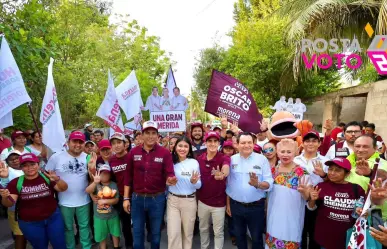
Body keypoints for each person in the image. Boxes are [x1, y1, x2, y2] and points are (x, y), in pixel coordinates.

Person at [123, 121, 177, 249]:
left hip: (157, 200)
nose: (151, 136)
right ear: (142, 135)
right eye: (147, 133)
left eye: (153, 133)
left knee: (156, 235)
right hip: (137, 199)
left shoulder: (165, 153)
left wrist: (171, 179)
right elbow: (128, 177)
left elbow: (170, 173)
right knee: (137, 234)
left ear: (158, 136)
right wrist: (126, 198)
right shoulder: (133, 152)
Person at [0, 153, 68, 249]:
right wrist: (4, 197)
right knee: (39, 246)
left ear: (38, 164)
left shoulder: (47, 177)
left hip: (53, 218)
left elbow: (63, 188)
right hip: (30, 223)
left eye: (32, 164)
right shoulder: (15, 182)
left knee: (60, 245)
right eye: (25, 165)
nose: (29, 168)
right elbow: (9, 203)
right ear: (21, 168)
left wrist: (57, 179)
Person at [45, 131, 92, 249]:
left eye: (81, 142)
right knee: (68, 228)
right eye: (74, 141)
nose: (78, 144)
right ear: (68, 142)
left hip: (84, 200)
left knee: (85, 227)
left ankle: (87, 247)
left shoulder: (88, 157)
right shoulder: (56, 157)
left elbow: (93, 178)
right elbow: (47, 176)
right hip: (64, 202)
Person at [226, 132, 273, 249]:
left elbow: (269, 183)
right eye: (243, 143)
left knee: (256, 238)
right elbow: (228, 185)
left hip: (256, 206)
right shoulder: (231, 160)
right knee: (240, 237)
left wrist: (257, 184)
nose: (246, 145)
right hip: (236, 206)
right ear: (237, 144)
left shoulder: (262, 160)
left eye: (249, 142)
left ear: (254, 143)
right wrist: (228, 205)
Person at [307, 158, 365, 249]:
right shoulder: (321, 186)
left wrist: (360, 211)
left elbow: (364, 212)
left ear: (347, 173)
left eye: (337, 170)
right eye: (330, 169)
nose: (332, 173)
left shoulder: (357, 189)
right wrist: (313, 199)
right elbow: (311, 208)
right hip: (325, 238)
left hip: (348, 238)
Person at [266, 139, 310, 249]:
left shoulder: (302, 172)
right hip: (274, 216)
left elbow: (308, 198)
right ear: (277, 152)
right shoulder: (272, 171)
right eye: (282, 151)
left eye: (289, 152)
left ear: (296, 152)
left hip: (292, 217)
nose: (285, 155)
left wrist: (305, 192)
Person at [94, 133, 133, 249]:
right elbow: (109, 179)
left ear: (125, 144)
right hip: (120, 196)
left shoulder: (131, 157)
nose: (116, 146)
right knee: (124, 224)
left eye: (119, 142)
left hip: (135, 195)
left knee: (138, 224)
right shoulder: (112, 161)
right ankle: (126, 245)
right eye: (114, 143)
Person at [293, 130, 328, 249]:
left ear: (319, 143)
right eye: (307, 141)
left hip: (317, 200)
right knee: (299, 230)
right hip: (298, 199)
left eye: (314, 141)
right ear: (302, 143)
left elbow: (332, 181)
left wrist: (323, 174)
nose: (310, 144)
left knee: (315, 233)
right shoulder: (295, 160)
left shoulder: (325, 161)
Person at [196, 131, 230, 249]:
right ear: (205, 143)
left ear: (218, 143)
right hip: (203, 202)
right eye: (210, 141)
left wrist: (223, 174)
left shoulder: (224, 157)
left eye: (215, 141)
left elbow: (226, 167)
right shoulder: (199, 159)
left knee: (218, 232)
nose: (212, 143)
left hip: (219, 204)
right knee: (203, 229)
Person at [167, 136, 201, 249]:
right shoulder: (169, 162)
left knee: (187, 234)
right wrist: (168, 182)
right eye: (180, 146)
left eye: (186, 146)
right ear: (175, 147)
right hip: (173, 201)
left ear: (189, 149)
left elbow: (199, 185)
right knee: (173, 234)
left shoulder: (194, 162)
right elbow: (163, 181)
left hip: (189, 201)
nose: (182, 149)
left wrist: (194, 181)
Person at [86, 164, 120, 249]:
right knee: (101, 235)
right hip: (99, 217)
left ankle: (116, 247)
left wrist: (105, 201)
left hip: (113, 216)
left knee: (115, 233)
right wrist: (95, 182)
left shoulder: (113, 185)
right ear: (99, 174)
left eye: (107, 173)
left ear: (110, 174)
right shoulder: (96, 185)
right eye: (102, 173)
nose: (104, 175)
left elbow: (116, 200)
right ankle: (103, 247)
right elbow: (87, 190)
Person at [0, 151, 26, 249]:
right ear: (7, 162)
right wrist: (4, 178)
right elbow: (3, 188)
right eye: (12, 159)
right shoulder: (6, 171)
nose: (15, 161)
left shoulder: (28, 168)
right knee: (20, 236)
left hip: (31, 208)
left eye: (17, 158)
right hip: (15, 210)